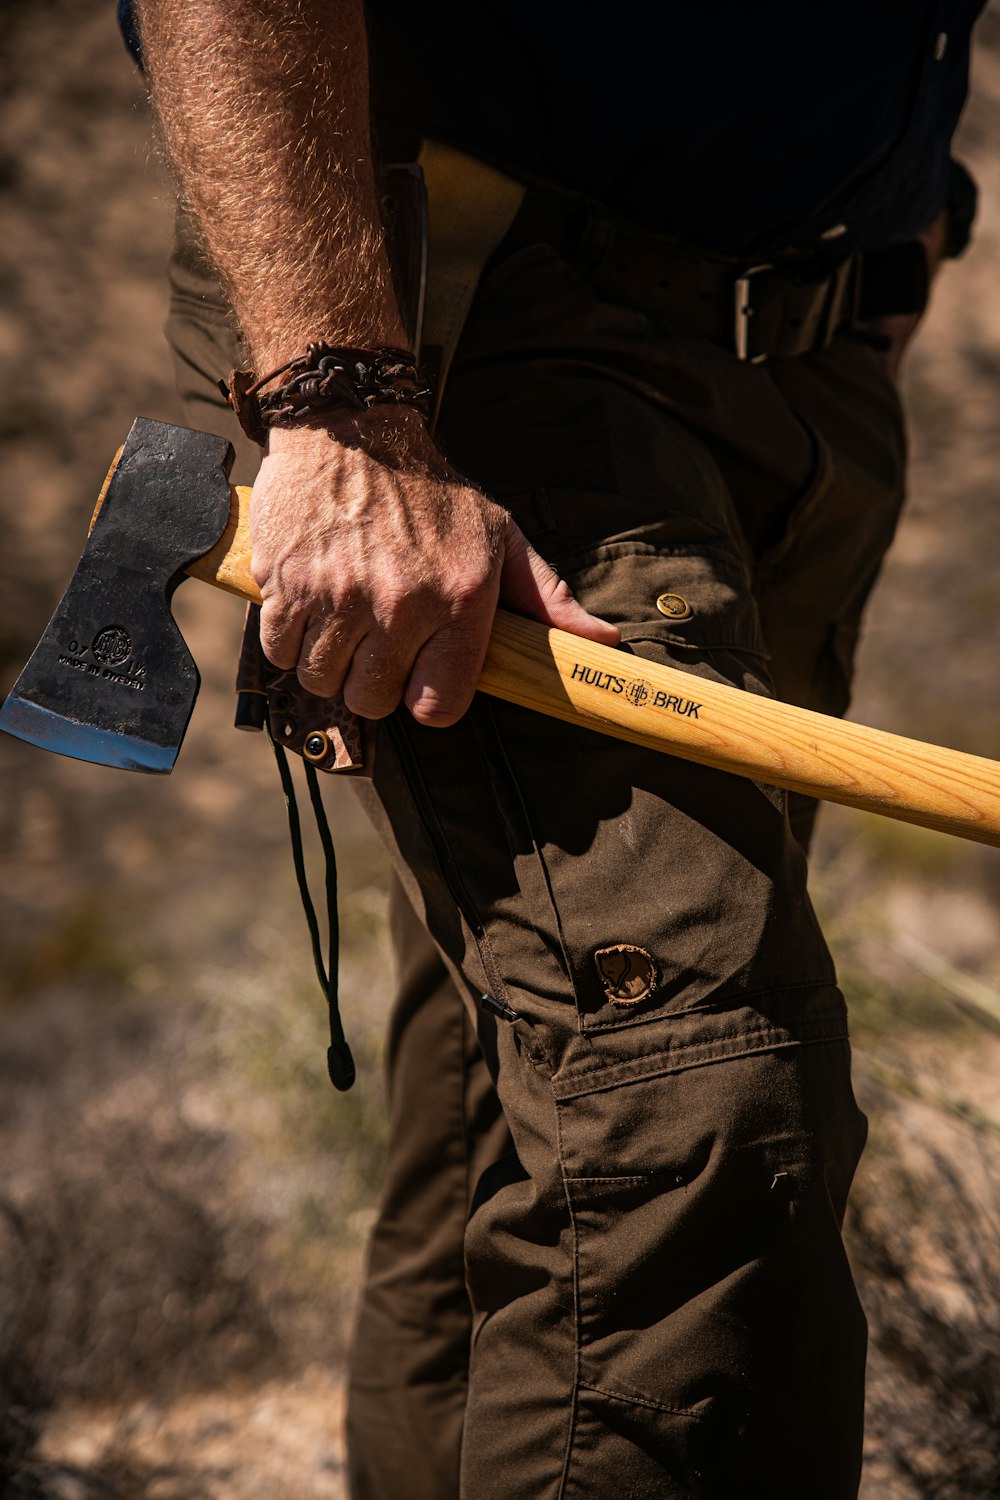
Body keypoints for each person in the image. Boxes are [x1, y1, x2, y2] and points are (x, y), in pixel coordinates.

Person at [129, 3, 983, 1495]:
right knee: (686, 1109)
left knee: (518, 1097)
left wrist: (905, 224)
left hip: (810, 351)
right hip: (458, 326)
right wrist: (341, 401)